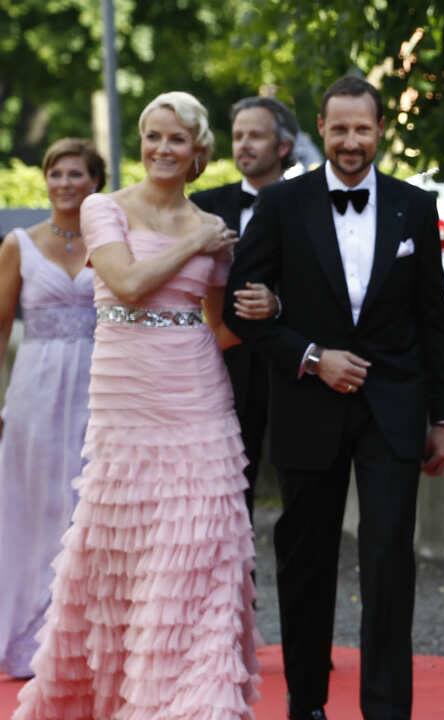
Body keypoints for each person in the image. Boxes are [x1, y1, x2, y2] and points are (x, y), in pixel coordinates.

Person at [14, 91, 276, 718]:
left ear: (197, 152)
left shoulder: (212, 232)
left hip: (198, 396)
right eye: (153, 136)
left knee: (202, 546)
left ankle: (196, 701)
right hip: (125, 401)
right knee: (126, 552)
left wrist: (271, 309)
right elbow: (128, 283)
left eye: (176, 139)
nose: (162, 148)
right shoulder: (105, 208)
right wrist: (196, 243)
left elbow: (219, 328)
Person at [223, 75, 444, 720]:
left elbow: (434, 317)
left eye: (362, 129)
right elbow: (240, 309)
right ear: (320, 130)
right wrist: (312, 356)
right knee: (305, 560)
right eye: (339, 129)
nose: (350, 141)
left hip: (393, 408)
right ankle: (306, 703)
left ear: (380, 130)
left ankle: (386, 710)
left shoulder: (414, 206)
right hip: (308, 404)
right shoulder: (282, 204)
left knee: (389, 561)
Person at [0, 139, 104, 679]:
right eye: (56, 173)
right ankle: (27, 637)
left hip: (99, 385)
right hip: (35, 388)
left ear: (95, 182)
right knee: (34, 505)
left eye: (76, 174)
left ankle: (85, 637)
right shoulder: (19, 243)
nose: (65, 183)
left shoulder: (111, 242)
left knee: (86, 506)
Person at [192, 95, 301, 522]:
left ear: (283, 146)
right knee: (228, 484)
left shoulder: (310, 203)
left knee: (301, 484)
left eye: (255, 135)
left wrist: (280, 303)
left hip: (292, 356)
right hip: (225, 359)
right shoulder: (203, 205)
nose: (244, 144)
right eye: (238, 136)